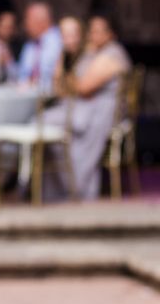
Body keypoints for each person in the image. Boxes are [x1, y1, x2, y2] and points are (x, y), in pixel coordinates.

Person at [43, 13, 131, 200]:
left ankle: (73, 188)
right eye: (92, 31)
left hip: (101, 112)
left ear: (111, 34)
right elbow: (62, 88)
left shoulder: (112, 54)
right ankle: (57, 190)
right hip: (85, 107)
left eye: (99, 31)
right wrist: (64, 56)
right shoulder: (92, 53)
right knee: (50, 126)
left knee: (51, 124)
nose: (93, 35)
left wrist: (70, 78)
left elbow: (83, 87)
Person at [17, 1, 63, 91]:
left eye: (27, 19)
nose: (25, 24)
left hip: (52, 97)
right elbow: (21, 74)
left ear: (39, 21)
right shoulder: (29, 45)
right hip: (26, 95)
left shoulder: (60, 41)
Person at [54, 16, 85, 96]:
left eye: (73, 35)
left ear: (81, 35)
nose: (70, 41)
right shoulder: (64, 55)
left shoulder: (88, 55)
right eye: (65, 36)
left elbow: (81, 88)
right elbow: (57, 85)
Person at [0, 10, 21, 81]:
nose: (7, 31)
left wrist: (9, 62)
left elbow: (21, 74)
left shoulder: (19, 47)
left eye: (10, 27)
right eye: (4, 27)